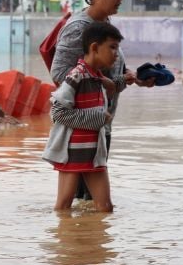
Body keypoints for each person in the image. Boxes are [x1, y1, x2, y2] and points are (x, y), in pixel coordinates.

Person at [50, 0, 154, 201]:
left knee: (89, 205)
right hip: (82, 129)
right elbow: (60, 73)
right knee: (84, 203)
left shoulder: (105, 25)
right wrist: (108, 82)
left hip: (100, 124)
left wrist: (134, 78)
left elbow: (108, 68)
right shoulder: (79, 29)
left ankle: (82, 235)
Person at [43, 21, 124, 212]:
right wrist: (97, 118)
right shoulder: (76, 75)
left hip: (94, 154)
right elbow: (58, 111)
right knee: (63, 207)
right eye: (112, 47)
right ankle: (63, 241)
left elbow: (112, 86)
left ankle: (93, 240)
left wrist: (129, 79)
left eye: (117, 48)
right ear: (94, 47)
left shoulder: (97, 78)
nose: (116, 54)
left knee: (105, 208)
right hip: (72, 154)